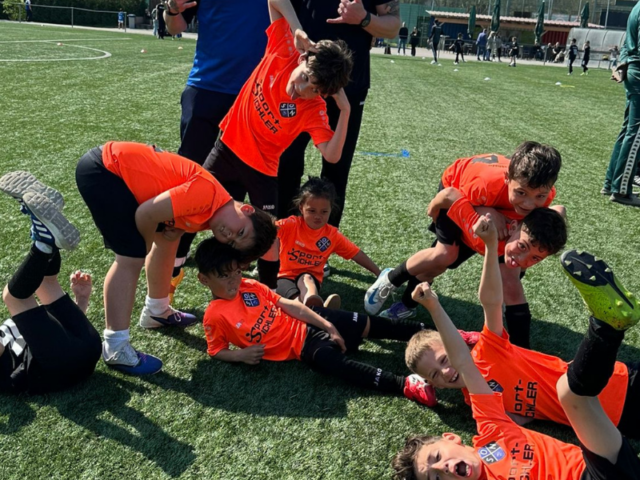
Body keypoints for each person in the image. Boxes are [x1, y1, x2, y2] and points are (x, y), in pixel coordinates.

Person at [391, 224, 640, 480]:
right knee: (569, 393)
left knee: (568, 391)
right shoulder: (480, 410)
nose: (441, 468)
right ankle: (607, 325)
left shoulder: (488, 398)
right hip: (608, 433)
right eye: (435, 478)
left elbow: (487, 312)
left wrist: (434, 305)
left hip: (613, 386)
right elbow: (520, 418)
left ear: (452, 438)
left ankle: (606, 324)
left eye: (445, 359)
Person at [75, 142, 277, 375]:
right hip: (105, 170)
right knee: (131, 256)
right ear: (247, 209)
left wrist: (169, 231)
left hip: (114, 171)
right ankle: (115, 347)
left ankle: (156, 311)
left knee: (169, 238)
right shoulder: (207, 195)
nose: (230, 236)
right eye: (240, 232)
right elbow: (146, 214)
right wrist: (144, 246)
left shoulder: (215, 214)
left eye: (232, 243)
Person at [196, 0, 352, 292]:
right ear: (303, 59)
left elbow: (332, 155)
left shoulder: (314, 109)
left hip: (263, 172)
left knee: (268, 237)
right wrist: (298, 30)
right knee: (193, 210)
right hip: (226, 149)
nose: (301, 89)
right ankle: (169, 282)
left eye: (314, 89)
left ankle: (268, 295)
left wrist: (345, 111)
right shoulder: (283, 48)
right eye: (305, 77)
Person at [364, 142, 566, 348]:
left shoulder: (540, 198)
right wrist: (438, 209)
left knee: (510, 281)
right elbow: (449, 195)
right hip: (458, 191)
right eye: (521, 193)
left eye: (539, 196)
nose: (529, 204)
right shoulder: (484, 185)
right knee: (444, 255)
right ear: (508, 179)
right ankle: (391, 279)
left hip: (492, 210)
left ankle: (521, 351)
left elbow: (558, 210)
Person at [196, 237, 437, 407]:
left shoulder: (249, 285)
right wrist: (240, 355)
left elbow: (289, 305)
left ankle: (439, 333)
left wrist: (327, 325)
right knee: (336, 365)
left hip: (310, 318)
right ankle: (405, 384)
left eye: (237, 272)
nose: (234, 281)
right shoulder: (214, 315)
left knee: (368, 324)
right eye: (224, 276)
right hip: (301, 346)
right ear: (204, 279)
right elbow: (216, 350)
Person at [162, 1, 269, 299]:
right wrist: (172, 10)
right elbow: (175, 27)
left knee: (237, 186)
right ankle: (172, 270)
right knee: (188, 181)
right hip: (206, 86)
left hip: (254, 95)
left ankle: (227, 271)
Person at [277, 0, 401, 253]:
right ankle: (282, 243)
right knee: (286, 162)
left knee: (336, 171)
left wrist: (364, 18)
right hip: (303, 81)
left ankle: (318, 252)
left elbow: (393, 27)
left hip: (347, 89)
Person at [0, 171, 101, 394]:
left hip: (87, 347)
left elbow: (54, 336)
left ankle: (43, 229)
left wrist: (81, 301)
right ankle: (43, 243)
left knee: (46, 283)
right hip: (60, 367)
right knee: (14, 298)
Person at [276, 177, 380, 308]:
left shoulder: (332, 235)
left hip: (311, 279)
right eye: (312, 211)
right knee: (290, 293)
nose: (318, 216)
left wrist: (379, 273)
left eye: (324, 212)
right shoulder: (290, 225)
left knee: (306, 278)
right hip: (284, 277)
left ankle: (311, 304)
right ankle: (315, 310)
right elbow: (265, 230)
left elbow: (356, 253)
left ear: (331, 209)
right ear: (301, 208)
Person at [605, 0, 640, 207]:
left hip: (634, 70)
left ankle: (611, 183)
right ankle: (621, 189)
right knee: (636, 133)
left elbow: (628, 43)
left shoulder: (637, 7)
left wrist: (623, 63)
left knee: (629, 130)